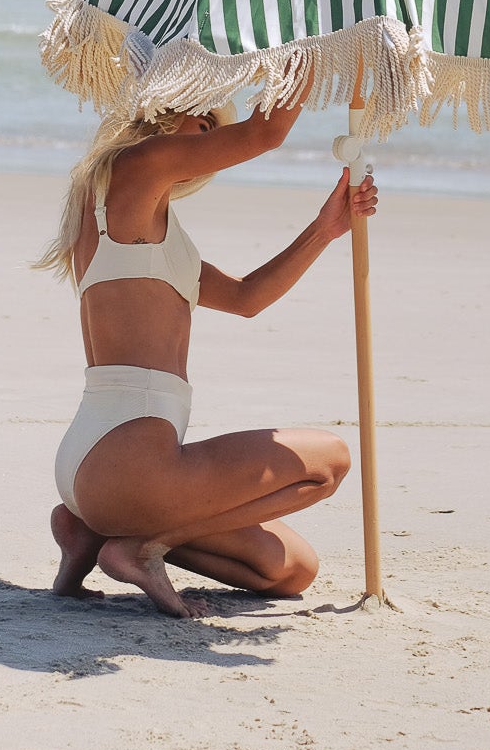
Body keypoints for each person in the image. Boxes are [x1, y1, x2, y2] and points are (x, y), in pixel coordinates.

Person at [36, 88, 377, 617]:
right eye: (207, 126)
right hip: (129, 459)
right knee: (329, 461)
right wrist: (306, 56)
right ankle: (140, 548)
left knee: (290, 571)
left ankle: (89, 531)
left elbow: (247, 299)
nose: (215, 143)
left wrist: (325, 228)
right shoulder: (132, 168)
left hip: (108, 467)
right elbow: (264, 133)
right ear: (169, 116)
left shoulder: (152, 223)